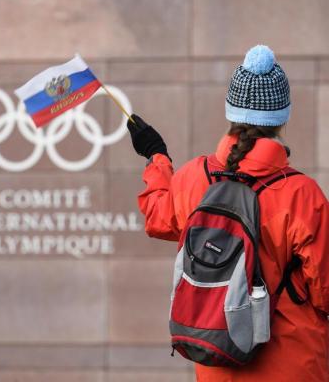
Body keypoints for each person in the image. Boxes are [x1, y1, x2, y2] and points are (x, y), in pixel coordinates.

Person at [127, 45, 329, 382]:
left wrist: (157, 158)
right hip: (294, 364)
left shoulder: (195, 176)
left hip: (218, 360)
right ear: (281, 117)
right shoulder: (302, 194)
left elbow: (158, 217)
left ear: (231, 112)